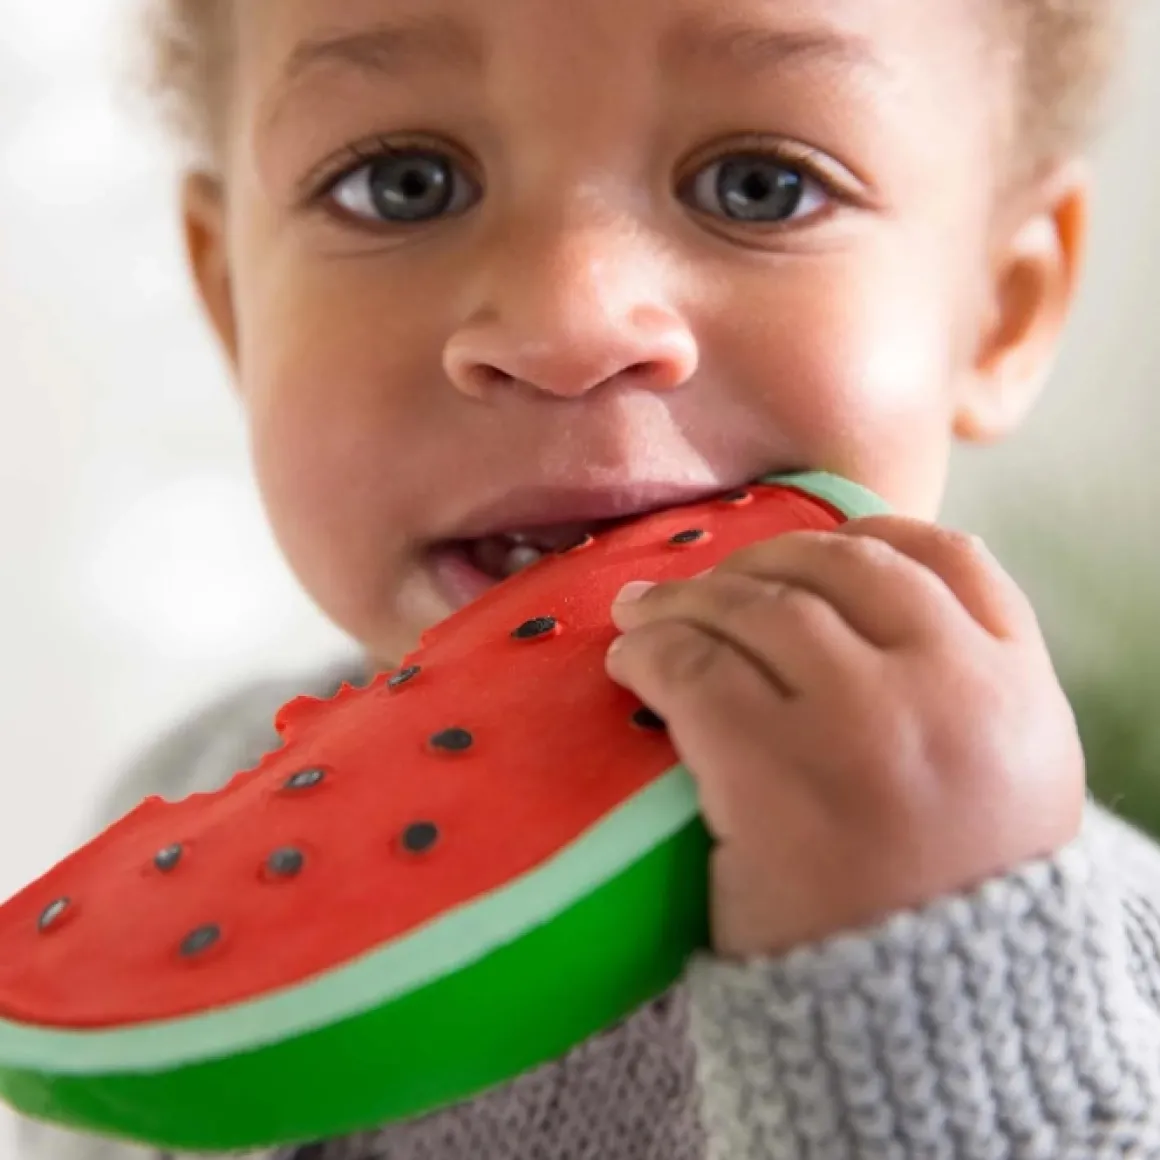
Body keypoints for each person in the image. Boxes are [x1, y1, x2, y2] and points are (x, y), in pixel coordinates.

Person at [18, 0, 1160, 1157]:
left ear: (999, 310)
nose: (570, 320)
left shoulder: (1115, 965)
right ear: (232, 306)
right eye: (402, 183)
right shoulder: (184, 802)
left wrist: (926, 1005)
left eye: (758, 186)